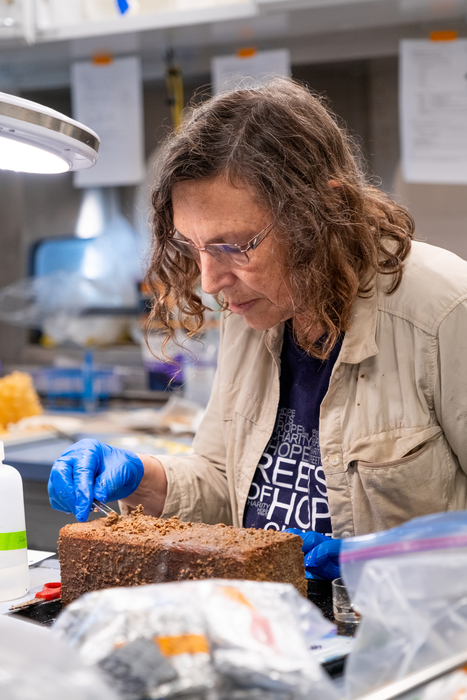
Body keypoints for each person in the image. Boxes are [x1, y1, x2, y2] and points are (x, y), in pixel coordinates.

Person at [48, 78, 467, 580]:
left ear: (323, 212)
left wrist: (389, 558)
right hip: (282, 633)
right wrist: (143, 478)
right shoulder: (256, 310)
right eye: (195, 247)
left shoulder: (443, 311)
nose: (210, 281)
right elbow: (224, 483)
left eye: (235, 245)